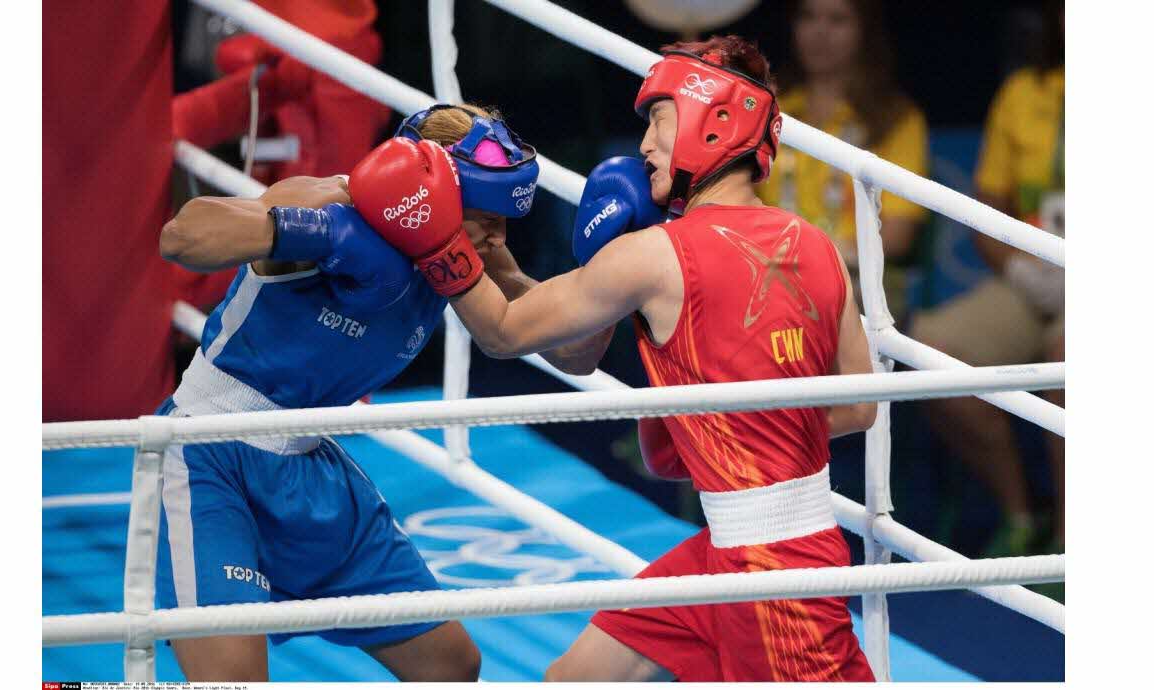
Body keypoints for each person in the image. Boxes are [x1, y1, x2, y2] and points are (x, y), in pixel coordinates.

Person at [350, 36, 877, 681]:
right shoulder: (820, 248)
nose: (645, 146)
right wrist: (726, 431)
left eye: (658, 120)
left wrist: (434, 238)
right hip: (743, 545)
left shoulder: (654, 254)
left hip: (767, 570)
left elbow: (506, 332)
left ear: (714, 121)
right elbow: (858, 405)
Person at [155, 104, 585, 681]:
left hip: (308, 468)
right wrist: (318, 234)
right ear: (432, 189)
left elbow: (570, 350)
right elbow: (181, 236)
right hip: (210, 454)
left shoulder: (462, 249)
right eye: (487, 215)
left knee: (450, 664)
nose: (499, 236)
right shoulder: (329, 204)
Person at [908, 2, 1064, 564]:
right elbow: (987, 216)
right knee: (929, 352)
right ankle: (1024, 516)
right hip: (1035, 280)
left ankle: (1072, 546)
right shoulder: (1023, 92)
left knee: (1070, 358)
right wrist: (1022, 269)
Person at [756, 0, 929, 318]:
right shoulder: (767, 109)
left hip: (861, 276)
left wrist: (823, 255)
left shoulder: (898, 120)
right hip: (767, 266)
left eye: (838, 20)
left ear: (865, 31)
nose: (820, 32)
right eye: (808, 16)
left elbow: (898, 233)